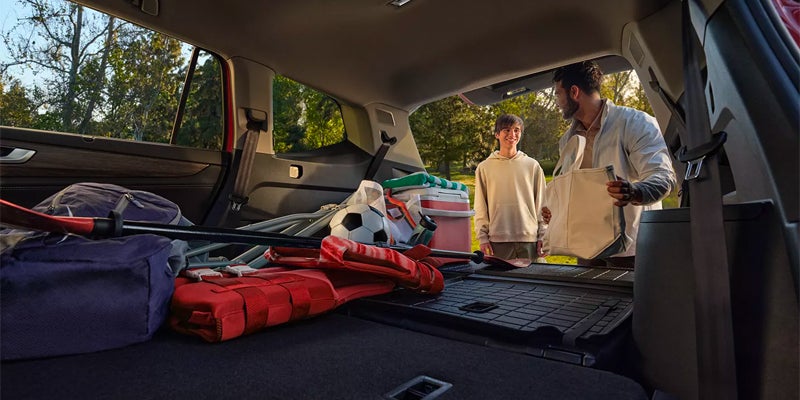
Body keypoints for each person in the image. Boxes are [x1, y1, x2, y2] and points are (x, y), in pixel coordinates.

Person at [542, 61, 677, 268]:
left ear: (574, 92)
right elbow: (573, 192)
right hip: (586, 249)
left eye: (558, 94)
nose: (558, 101)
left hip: (630, 250)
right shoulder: (567, 141)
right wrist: (556, 209)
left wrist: (634, 191)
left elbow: (663, 176)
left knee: (627, 302)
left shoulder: (636, 123)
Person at [474, 114, 547, 260]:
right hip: (498, 240)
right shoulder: (484, 168)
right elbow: (480, 206)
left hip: (529, 239)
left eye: (516, 130)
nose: (512, 134)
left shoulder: (532, 166)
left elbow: (542, 204)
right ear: (497, 134)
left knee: (534, 281)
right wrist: (483, 237)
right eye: (506, 130)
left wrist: (544, 236)